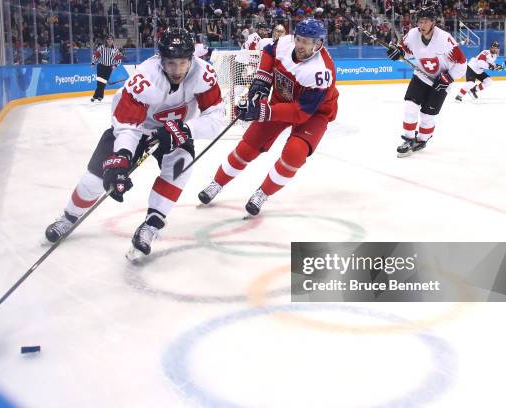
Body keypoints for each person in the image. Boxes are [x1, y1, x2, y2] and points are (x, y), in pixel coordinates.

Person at [45, 28, 224, 258]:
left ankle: (151, 225)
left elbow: (216, 119)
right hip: (138, 130)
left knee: (182, 164)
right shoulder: (146, 78)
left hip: (176, 130)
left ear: (191, 59)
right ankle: (68, 216)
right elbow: (128, 125)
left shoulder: (203, 74)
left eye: (182, 63)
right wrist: (122, 157)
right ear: (161, 60)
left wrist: (185, 129)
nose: (177, 70)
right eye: (171, 63)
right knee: (95, 180)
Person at [197, 18, 338, 216]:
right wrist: (262, 79)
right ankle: (217, 183)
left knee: (295, 153)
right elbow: (269, 53)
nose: (299, 45)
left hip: (314, 112)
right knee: (248, 145)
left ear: (318, 44)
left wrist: (263, 111)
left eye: (306, 41)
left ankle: (263, 193)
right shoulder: (285, 42)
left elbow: (300, 112)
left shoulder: (320, 71)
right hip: (282, 100)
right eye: (298, 39)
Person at [386, 6, 466, 157]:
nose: (421, 25)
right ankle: (408, 139)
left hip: (441, 81)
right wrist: (398, 52)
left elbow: (462, 63)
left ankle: (422, 139)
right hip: (421, 76)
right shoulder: (412, 34)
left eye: (425, 22)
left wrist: (448, 78)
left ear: (433, 22)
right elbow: (405, 51)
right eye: (419, 22)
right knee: (410, 107)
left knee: (427, 116)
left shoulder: (445, 39)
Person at [90, 35, 123, 102]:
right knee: (99, 82)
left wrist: (115, 65)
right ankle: (98, 96)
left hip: (109, 68)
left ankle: (96, 96)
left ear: (113, 40)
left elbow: (119, 59)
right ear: (106, 40)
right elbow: (96, 55)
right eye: (108, 39)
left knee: (103, 82)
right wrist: (93, 63)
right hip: (101, 66)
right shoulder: (101, 47)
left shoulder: (115, 49)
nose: (109, 40)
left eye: (111, 39)